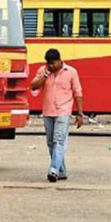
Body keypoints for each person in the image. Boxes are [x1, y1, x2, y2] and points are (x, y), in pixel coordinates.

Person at [30, 48, 84, 183]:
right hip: (48, 111)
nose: (52, 66)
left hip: (63, 111)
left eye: (54, 63)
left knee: (59, 140)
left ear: (60, 61)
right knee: (50, 143)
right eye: (49, 64)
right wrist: (45, 75)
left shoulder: (71, 72)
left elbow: (78, 92)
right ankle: (62, 171)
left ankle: (53, 170)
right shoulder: (43, 71)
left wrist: (80, 113)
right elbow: (33, 86)